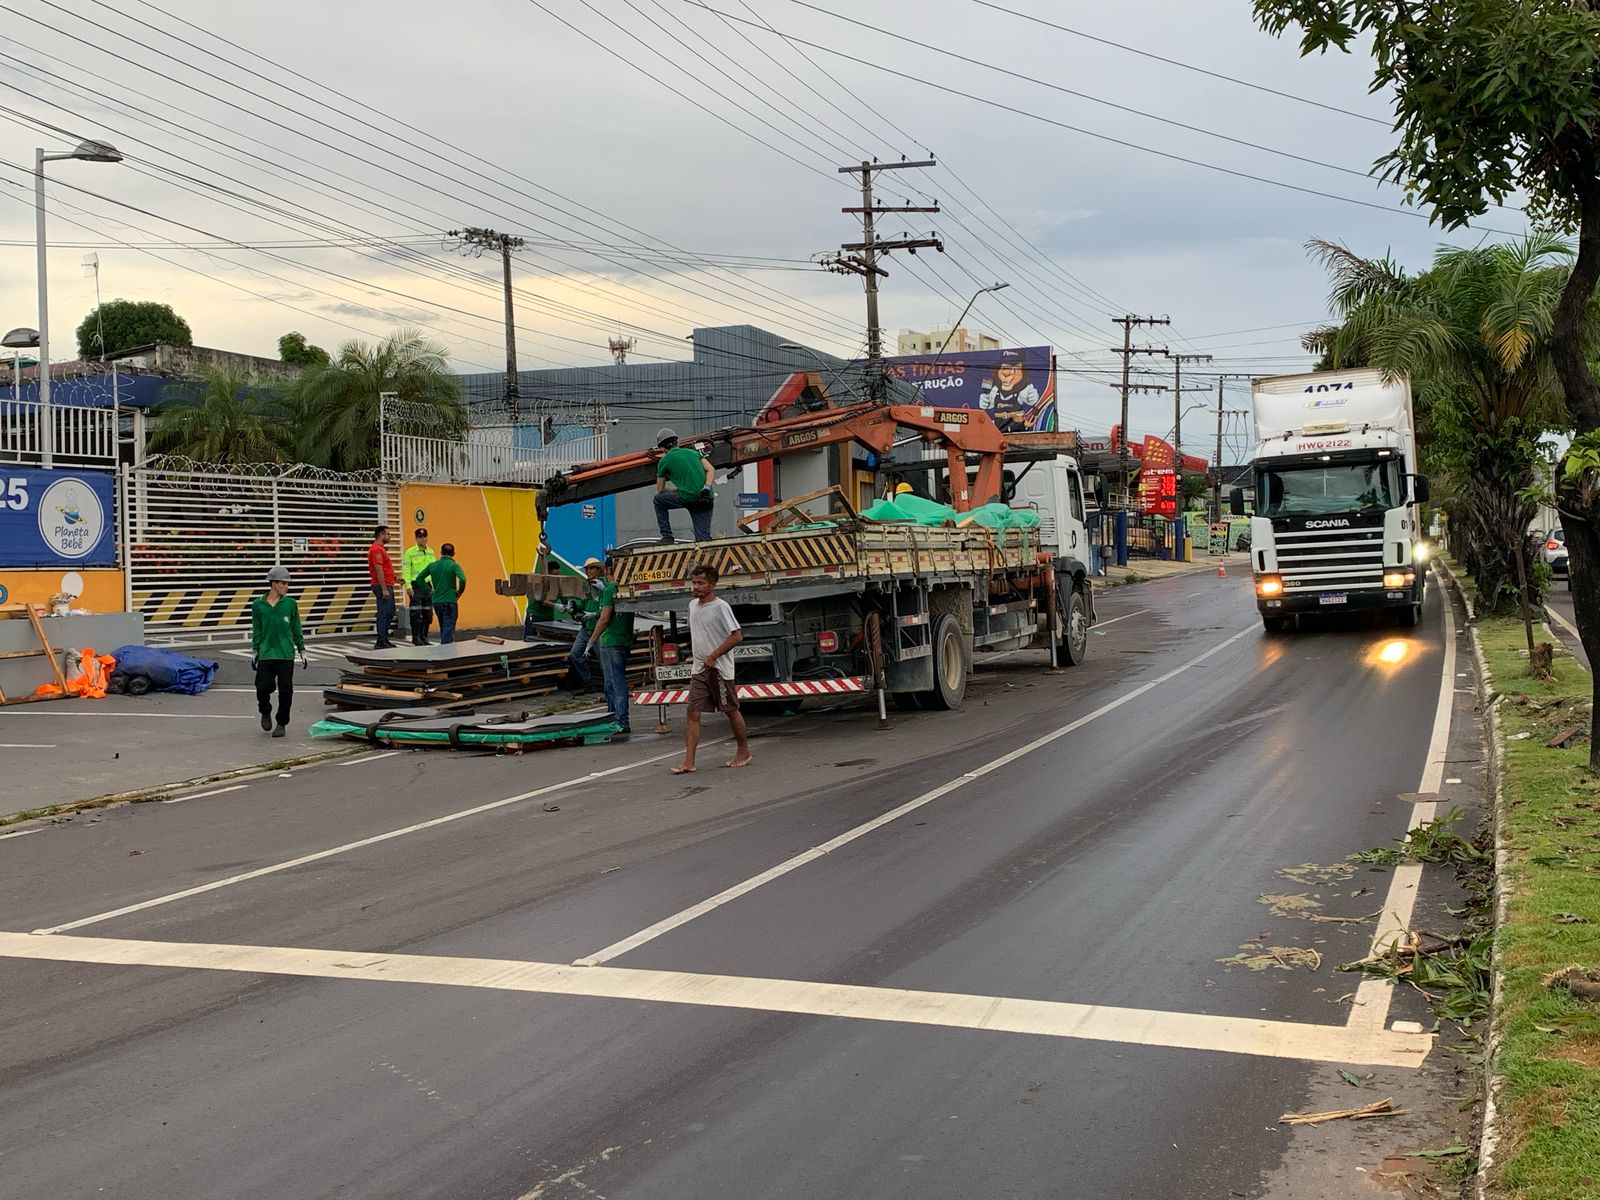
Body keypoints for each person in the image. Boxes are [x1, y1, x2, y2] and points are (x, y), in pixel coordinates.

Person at [672, 563, 752, 773]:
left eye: (701, 583)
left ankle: (743, 750)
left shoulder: (720, 607)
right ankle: (689, 761)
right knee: (693, 712)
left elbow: (736, 636)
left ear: (712, 584)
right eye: (694, 582)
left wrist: (714, 655)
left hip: (720, 669)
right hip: (699, 669)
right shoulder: (692, 605)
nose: (696, 587)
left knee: (730, 710)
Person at [250, 566, 307, 739]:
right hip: (267, 653)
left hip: (285, 654)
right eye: (283, 583)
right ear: (273, 583)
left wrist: (302, 650)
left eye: (287, 583)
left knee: (286, 690)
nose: (286, 586)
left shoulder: (290, 604)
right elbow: (257, 630)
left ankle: (281, 723)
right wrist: (255, 651)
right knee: (262, 687)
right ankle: (265, 711)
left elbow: (296, 628)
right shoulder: (258, 605)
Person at [587, 558, 635, 736]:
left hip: (609, 642)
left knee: (614, 683)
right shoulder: (625, 588)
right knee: (616, 681)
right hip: (624, 640)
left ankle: (619, 720)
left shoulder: (608, 590)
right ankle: (615, 717)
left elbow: (604, 618)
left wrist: (591, 640)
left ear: (607, 570)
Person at [653, 428, 715, 543]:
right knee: (703, 540)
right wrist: (706, 487)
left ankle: (667, 536)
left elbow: (660, 489)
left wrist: (675, 490)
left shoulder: (664, 461)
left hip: (688, 497)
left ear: (662, 448)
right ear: (678, 442)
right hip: (706, 497)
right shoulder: (694, 453)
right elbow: (710, 469)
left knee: (658, 500)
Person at [563, 557, 606, 690]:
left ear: (598, 569)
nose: (588, 571)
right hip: (586, 628)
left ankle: (609, 689)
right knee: (575, 654)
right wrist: (573, 607)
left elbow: (608, 604)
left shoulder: (604, 584)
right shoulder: (586, 585)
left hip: (599, 629)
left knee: (604, 661)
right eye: (587, 569)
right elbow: (581, 604)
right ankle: (587, 684)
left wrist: (603, 590)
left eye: (591, 568)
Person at [978, 350, 1041, 431]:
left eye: (1014, 369)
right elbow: (986, 405)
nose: (1006, 373)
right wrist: (985, 398)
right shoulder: (995, 391)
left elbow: (1032, 401)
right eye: (1003, 368)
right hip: (998, 433)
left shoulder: (1023, 391)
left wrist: (1031, 396)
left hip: (1018, 432)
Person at [419, 542, 467, 645]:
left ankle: (444, 648)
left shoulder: (433, 565)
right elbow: (462, 579)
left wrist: (429, 591)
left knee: (443, 626)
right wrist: (459, 592)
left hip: (437, 601)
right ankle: (446, 650)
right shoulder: (454, 565)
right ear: (453, 553)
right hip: (450, 600)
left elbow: (419, 578)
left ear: (440, 552)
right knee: (449, 626)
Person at [402, 527, 438, 646]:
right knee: (416, 613)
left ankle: (424, 636)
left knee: (428, 613)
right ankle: (416, 637)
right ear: (416, 538)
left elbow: (434, 569)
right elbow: (406, 570)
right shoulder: (410, 552)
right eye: (420, 537)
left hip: (427, 585)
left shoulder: (430, 551)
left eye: (424, 536)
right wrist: (408, 586)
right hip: (415, 585)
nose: (423, 539)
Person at [367, 524, 397, 649]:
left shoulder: (381, 549)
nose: (389, 536)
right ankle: (381, 640)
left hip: (387, 584)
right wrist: (384, 589)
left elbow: (384, 569)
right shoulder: (376, 549)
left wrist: (395, 578)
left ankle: (384, 638)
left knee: (390, 612)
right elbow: (379, 570)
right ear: (381, 535)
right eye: (388, 534)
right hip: (382, 586)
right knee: (384, 613)